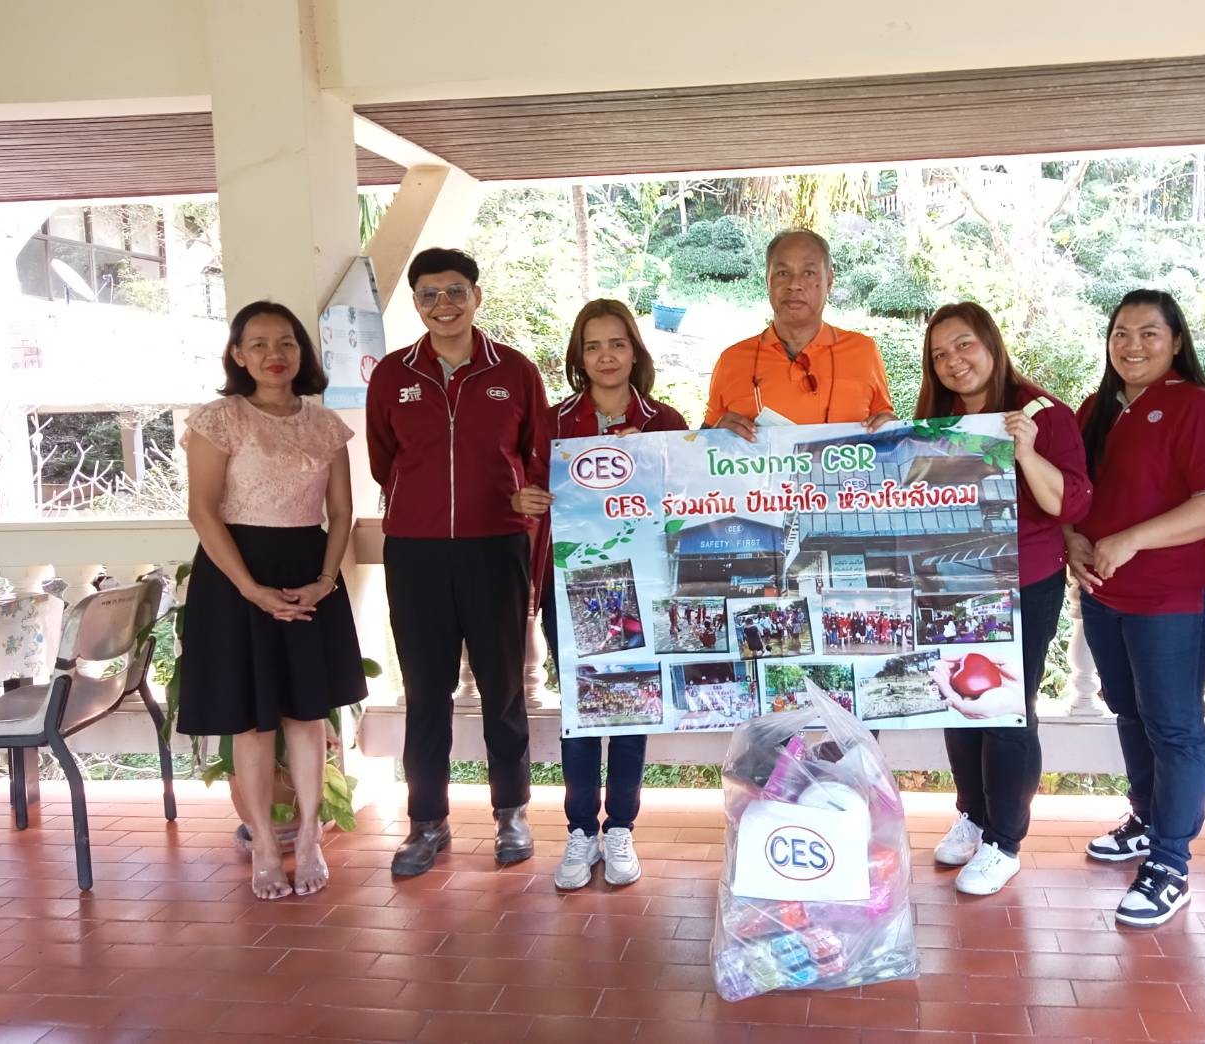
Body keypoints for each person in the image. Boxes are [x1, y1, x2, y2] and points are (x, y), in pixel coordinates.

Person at [366, 247, 549, 877]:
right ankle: (427, 821)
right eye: (429, 294)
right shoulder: (392, 375)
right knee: (425, 691)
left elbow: (537, 454)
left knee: (503, 687)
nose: (442, 305)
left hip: (496, 547)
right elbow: (384, 461)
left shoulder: (515, 371)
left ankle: (511, 813)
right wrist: (424, 506)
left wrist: (518, 494)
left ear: (476, 296)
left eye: (454, 292)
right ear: (416, 303)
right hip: (414, 553)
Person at [178, 301, 366, 901]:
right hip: (235, 576)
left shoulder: (326, 425)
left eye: (285, 342)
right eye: (257, 344)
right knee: (250, 721)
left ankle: (309, 837)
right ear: (238, 355)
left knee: (307, 715)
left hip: (306, 573)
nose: (273, 354)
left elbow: (341, 512)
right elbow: (203, 511)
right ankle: (263, 842)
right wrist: (250, 589)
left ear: (301, 352)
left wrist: (325, 580)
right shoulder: (219, 420)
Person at [1067, 289, 1205, 928]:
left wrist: (1132, 538)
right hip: (1104, 593)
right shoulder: (1095, 409)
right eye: (1121, 332)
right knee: (1128, 710)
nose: (1132, 345)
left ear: (1176, 342)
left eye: (1149, 333)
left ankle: (1171, 863)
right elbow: (1070, 494)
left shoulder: (1199, 408)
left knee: (1174, 727)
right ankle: (1146, 819)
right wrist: (1072, 538)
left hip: (1174, 595)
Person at [917, 302, 1092, 896]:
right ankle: (972, 814)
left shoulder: (1040, 412)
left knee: (1006, 706)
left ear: (991, 343)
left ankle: (1004, 841)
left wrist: (1027, 452)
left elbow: (1069, 503)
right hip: (951, 581)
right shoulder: (937, 420)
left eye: (964, 345)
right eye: (940, 354)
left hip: (1023, 582)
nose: (954, 361)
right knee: (955, 700)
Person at [531, 298, 687, 892]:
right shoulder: (552, 421)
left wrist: (647, 461)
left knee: (630, 704)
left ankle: (620, 826)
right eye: (592, 345)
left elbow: (687, 496)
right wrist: (527, 498)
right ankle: (579, 830)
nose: (605, 356)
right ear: (579, 355)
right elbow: (526, 487)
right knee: (580, 708)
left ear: (634, 350)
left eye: (616, 343)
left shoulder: (665, 420)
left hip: (642, 583)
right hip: (569, 585)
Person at [704, 229, 895, 437]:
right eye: (782, 273)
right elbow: (701, 445)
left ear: (829, 281)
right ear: (768, 280)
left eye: (808, 273)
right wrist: (715, 436)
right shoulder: (732, 361)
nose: (794, 284)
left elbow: (886, 431)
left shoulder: (863, 353)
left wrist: (893, 430)